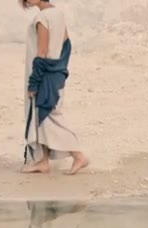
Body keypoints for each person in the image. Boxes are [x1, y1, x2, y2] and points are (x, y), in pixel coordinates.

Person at [20, 0, 89, 175]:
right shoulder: (58, 13)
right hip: (55, 72)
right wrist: (61, 68)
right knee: (42, 117)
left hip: (44, 74)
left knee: (47, 116)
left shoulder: (42, 17)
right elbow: (67, 45)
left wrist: (34, 82)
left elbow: (42, 53)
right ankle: (42, 162)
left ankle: (78, 155)